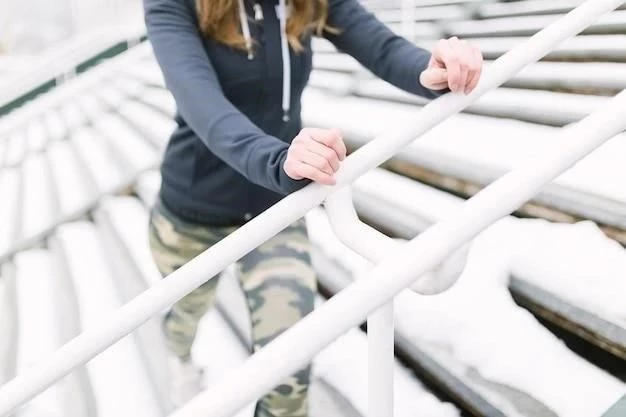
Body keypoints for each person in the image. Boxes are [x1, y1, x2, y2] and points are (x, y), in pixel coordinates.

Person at [144, 0, 483, 414]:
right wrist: (277, 159)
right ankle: (181, 363)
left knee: (289, 371)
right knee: (183, 317)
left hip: (274, 210)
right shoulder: (171, 5)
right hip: (193, 209)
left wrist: (433, 70)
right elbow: (203, 105)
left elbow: (381, 47)